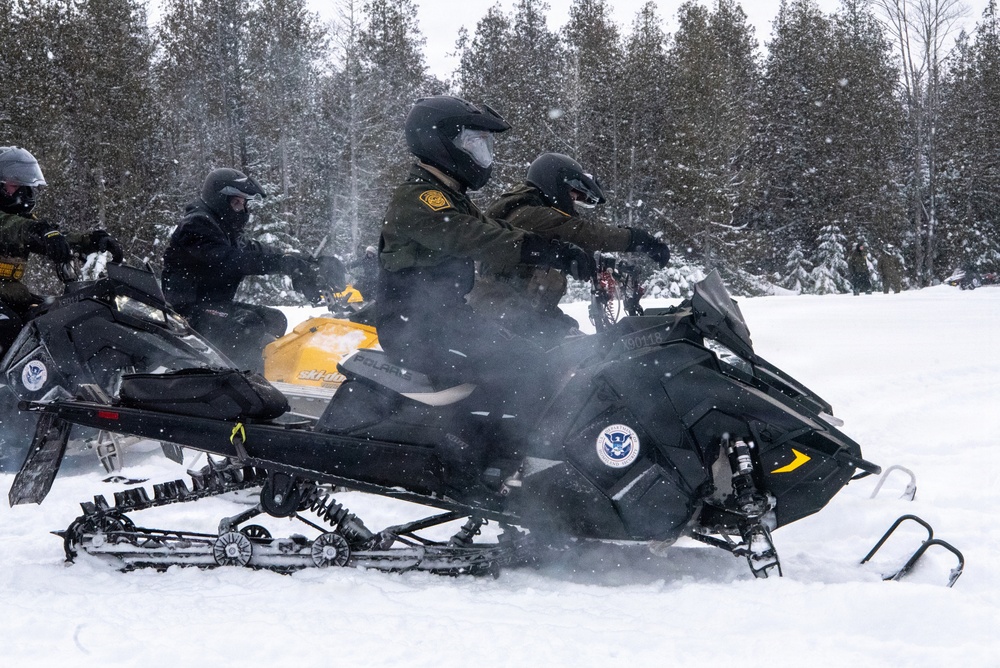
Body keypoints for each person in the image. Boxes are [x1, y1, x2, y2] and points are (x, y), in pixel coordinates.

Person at [374, 95, 595, 434]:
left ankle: (517, 453)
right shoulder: (419, 198)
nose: (482, 153)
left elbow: (496, 229)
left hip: (447, 319)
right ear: (439, 140)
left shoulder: (450, 195)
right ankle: (482, 462)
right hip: (415, 329)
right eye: (473, 143)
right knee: (524, 367)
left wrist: (557, 248)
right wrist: (546, 251)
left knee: (538, 356)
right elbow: (475, 237)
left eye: (484, 144)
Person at [468, 152, 671, 344]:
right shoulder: (530, 214)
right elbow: (584, 233)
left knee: (582, 344)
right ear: (553, 184)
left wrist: (599, 263)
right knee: (578, 360)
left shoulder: (528, 212)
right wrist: (638, 240)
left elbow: (561, 247)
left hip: (516, 308)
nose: (573, 204)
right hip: (503, 313)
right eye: (572, 196)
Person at [161, 167, 321, 373]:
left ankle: (267, 373)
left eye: (244, 204)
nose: (242, 210)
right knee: (248, 325)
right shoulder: (196, 225)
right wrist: (283, 264)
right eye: (236, 203)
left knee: (275, 318)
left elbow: (255, 249)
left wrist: (306, 260)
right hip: (187, 309)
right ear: (219, 199)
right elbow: (232, 260)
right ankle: (242, 381)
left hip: (214, 305)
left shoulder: (223, 227)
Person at [0, 146, 123, 355]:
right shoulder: (14, 224)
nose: (24, 192)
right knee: (8, 328)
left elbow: (53, 236)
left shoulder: (24, 221)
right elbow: (14, 228)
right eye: (16, 185)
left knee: (54, 319)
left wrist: (88, 240)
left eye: (27, 186)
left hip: (10, 297)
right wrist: (39, 231)